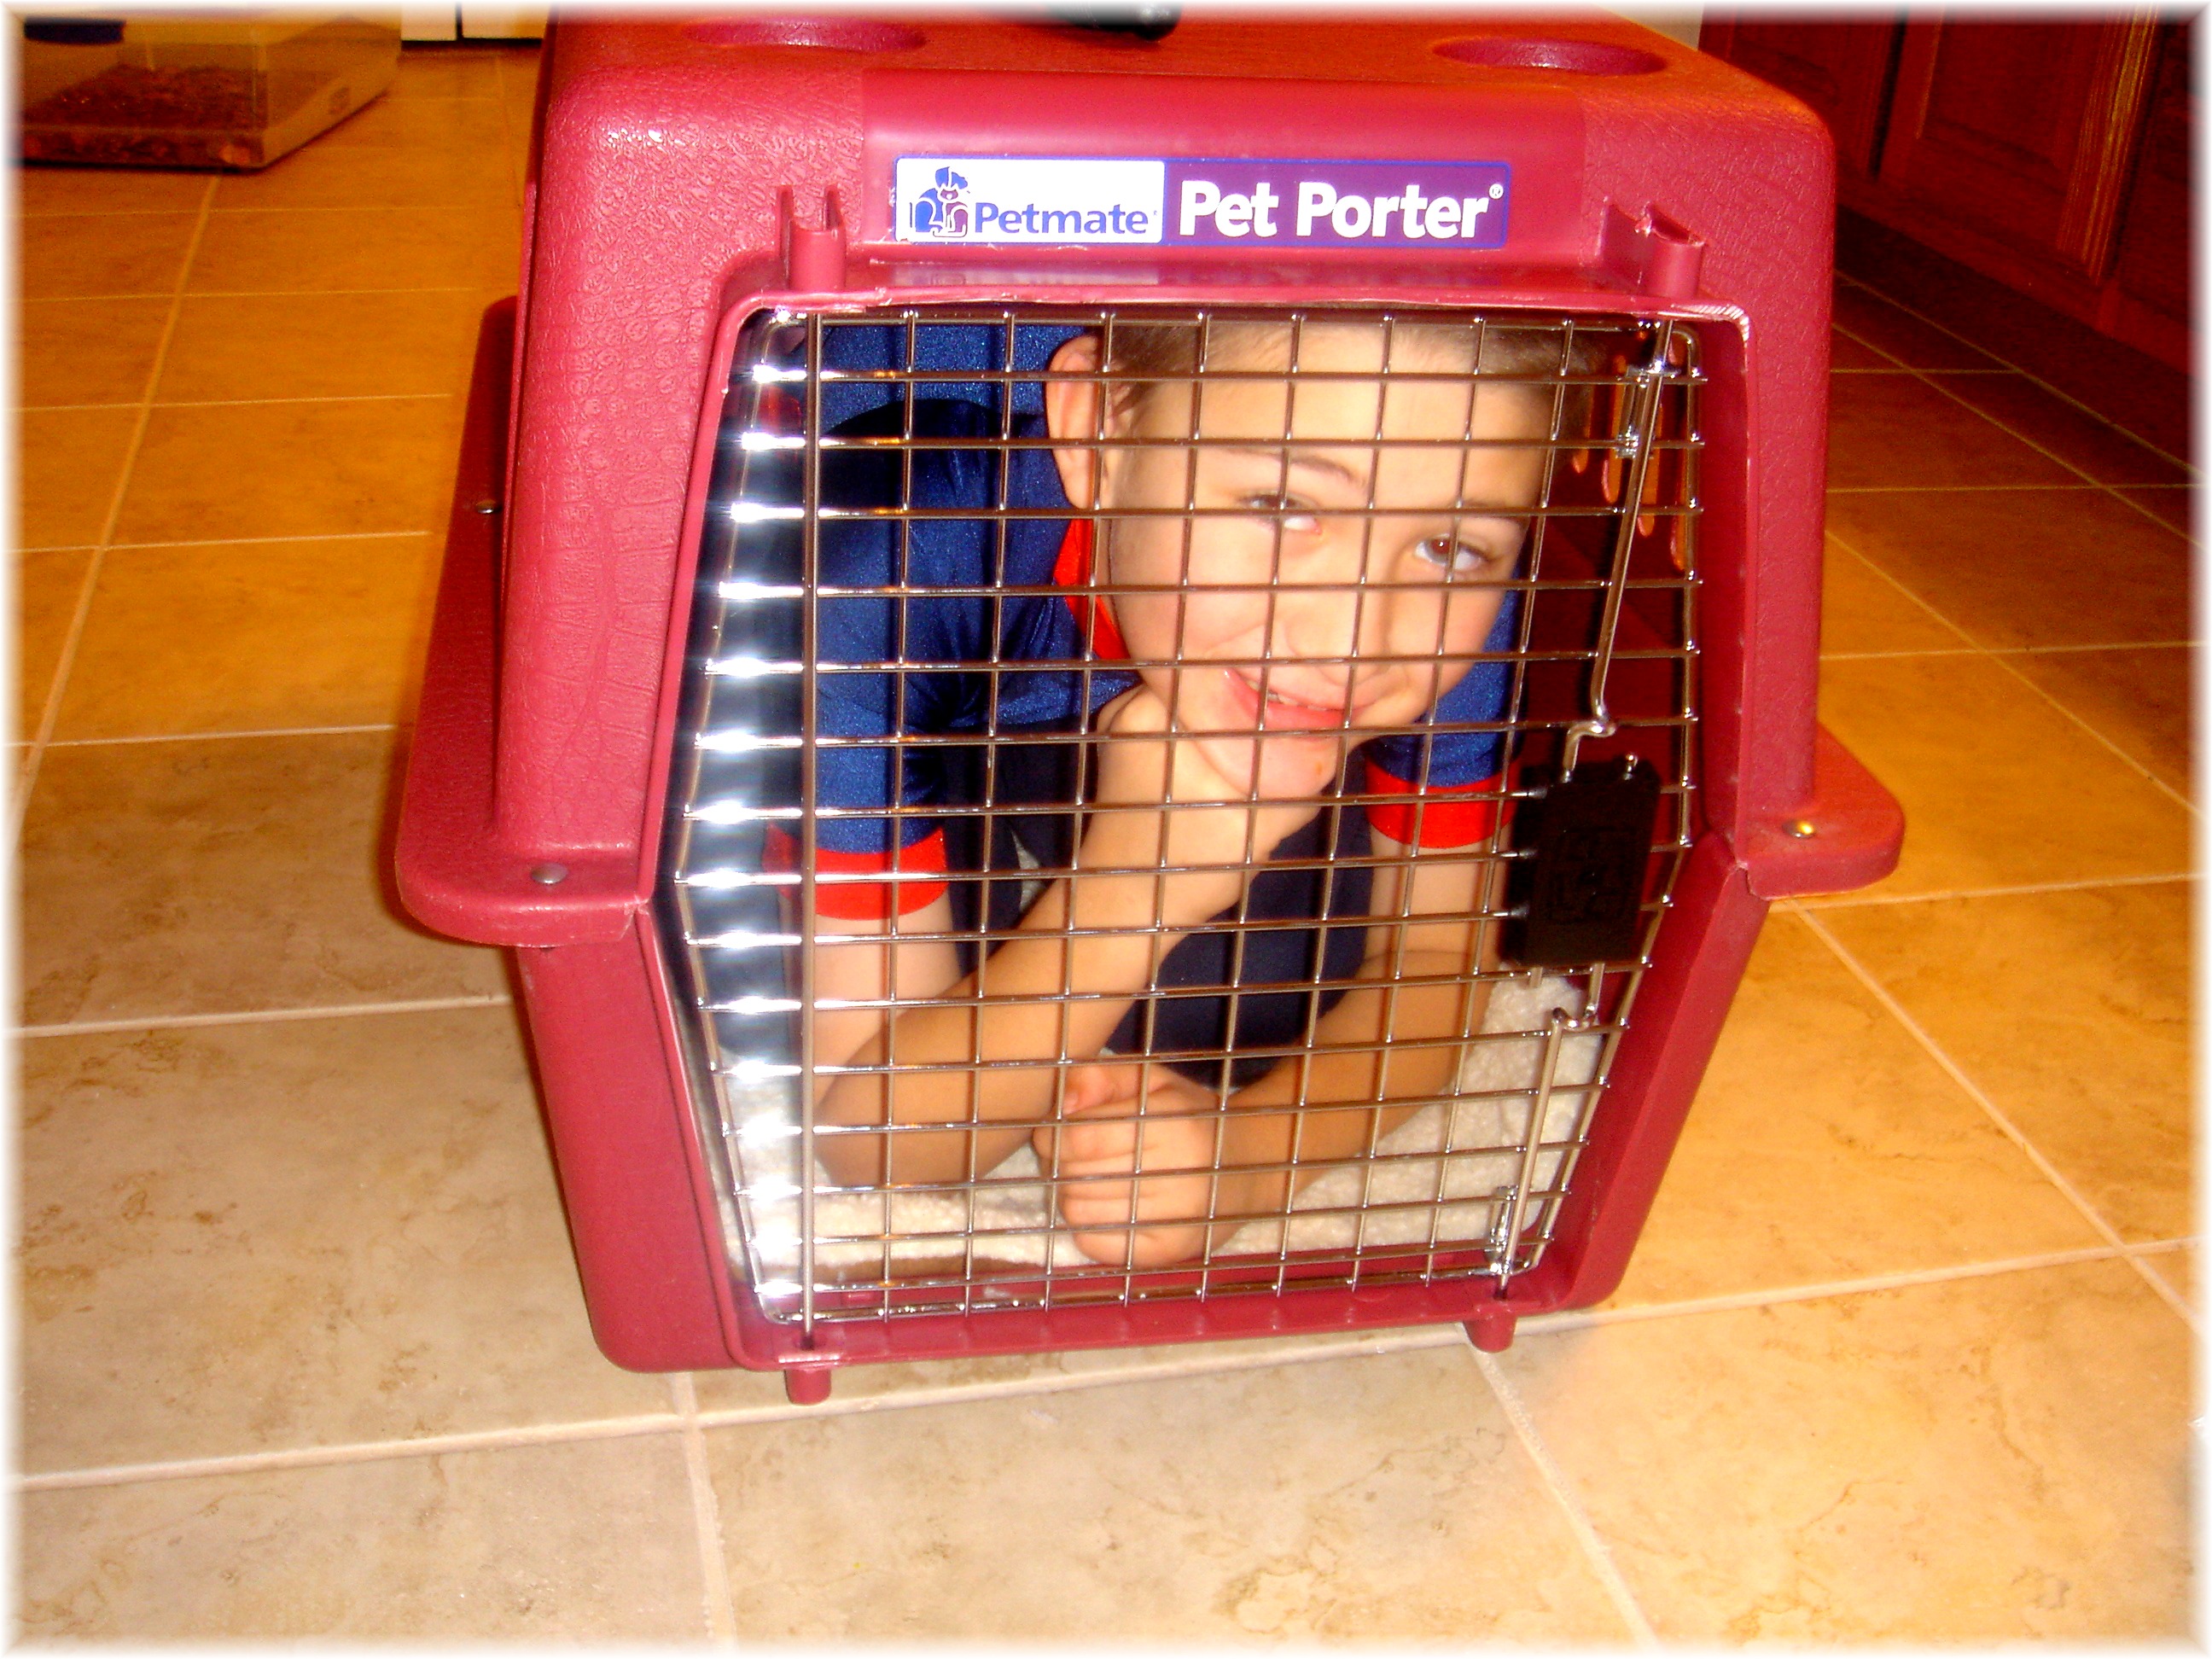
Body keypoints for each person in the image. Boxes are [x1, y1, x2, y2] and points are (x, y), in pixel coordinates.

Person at [785, 312, 1582, 1268]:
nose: (1353, 640)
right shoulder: (893, 564)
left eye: (1449, 549)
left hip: (1099, 690)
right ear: (1099, 430)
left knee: (1258, 986)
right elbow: (868, 1142)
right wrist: (1135, 886)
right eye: (1283, 505)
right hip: (940, 692)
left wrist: (1250, 1160)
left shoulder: (1468, 616)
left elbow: (1441, 952)